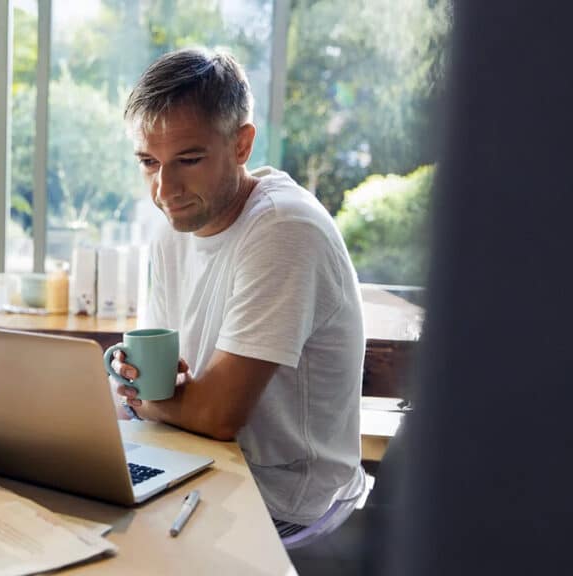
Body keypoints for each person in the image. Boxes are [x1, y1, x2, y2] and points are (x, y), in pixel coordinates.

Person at [109, 47, 365, 536]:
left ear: (242, 144)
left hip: (284, 498)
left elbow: (216, 414)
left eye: (188, 159)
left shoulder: (285, 228)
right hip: (197, 464)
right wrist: (141, 387)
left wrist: (140, 398)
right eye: (148, 162)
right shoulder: (173, 230)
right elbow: (168, 388)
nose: (165, 189)